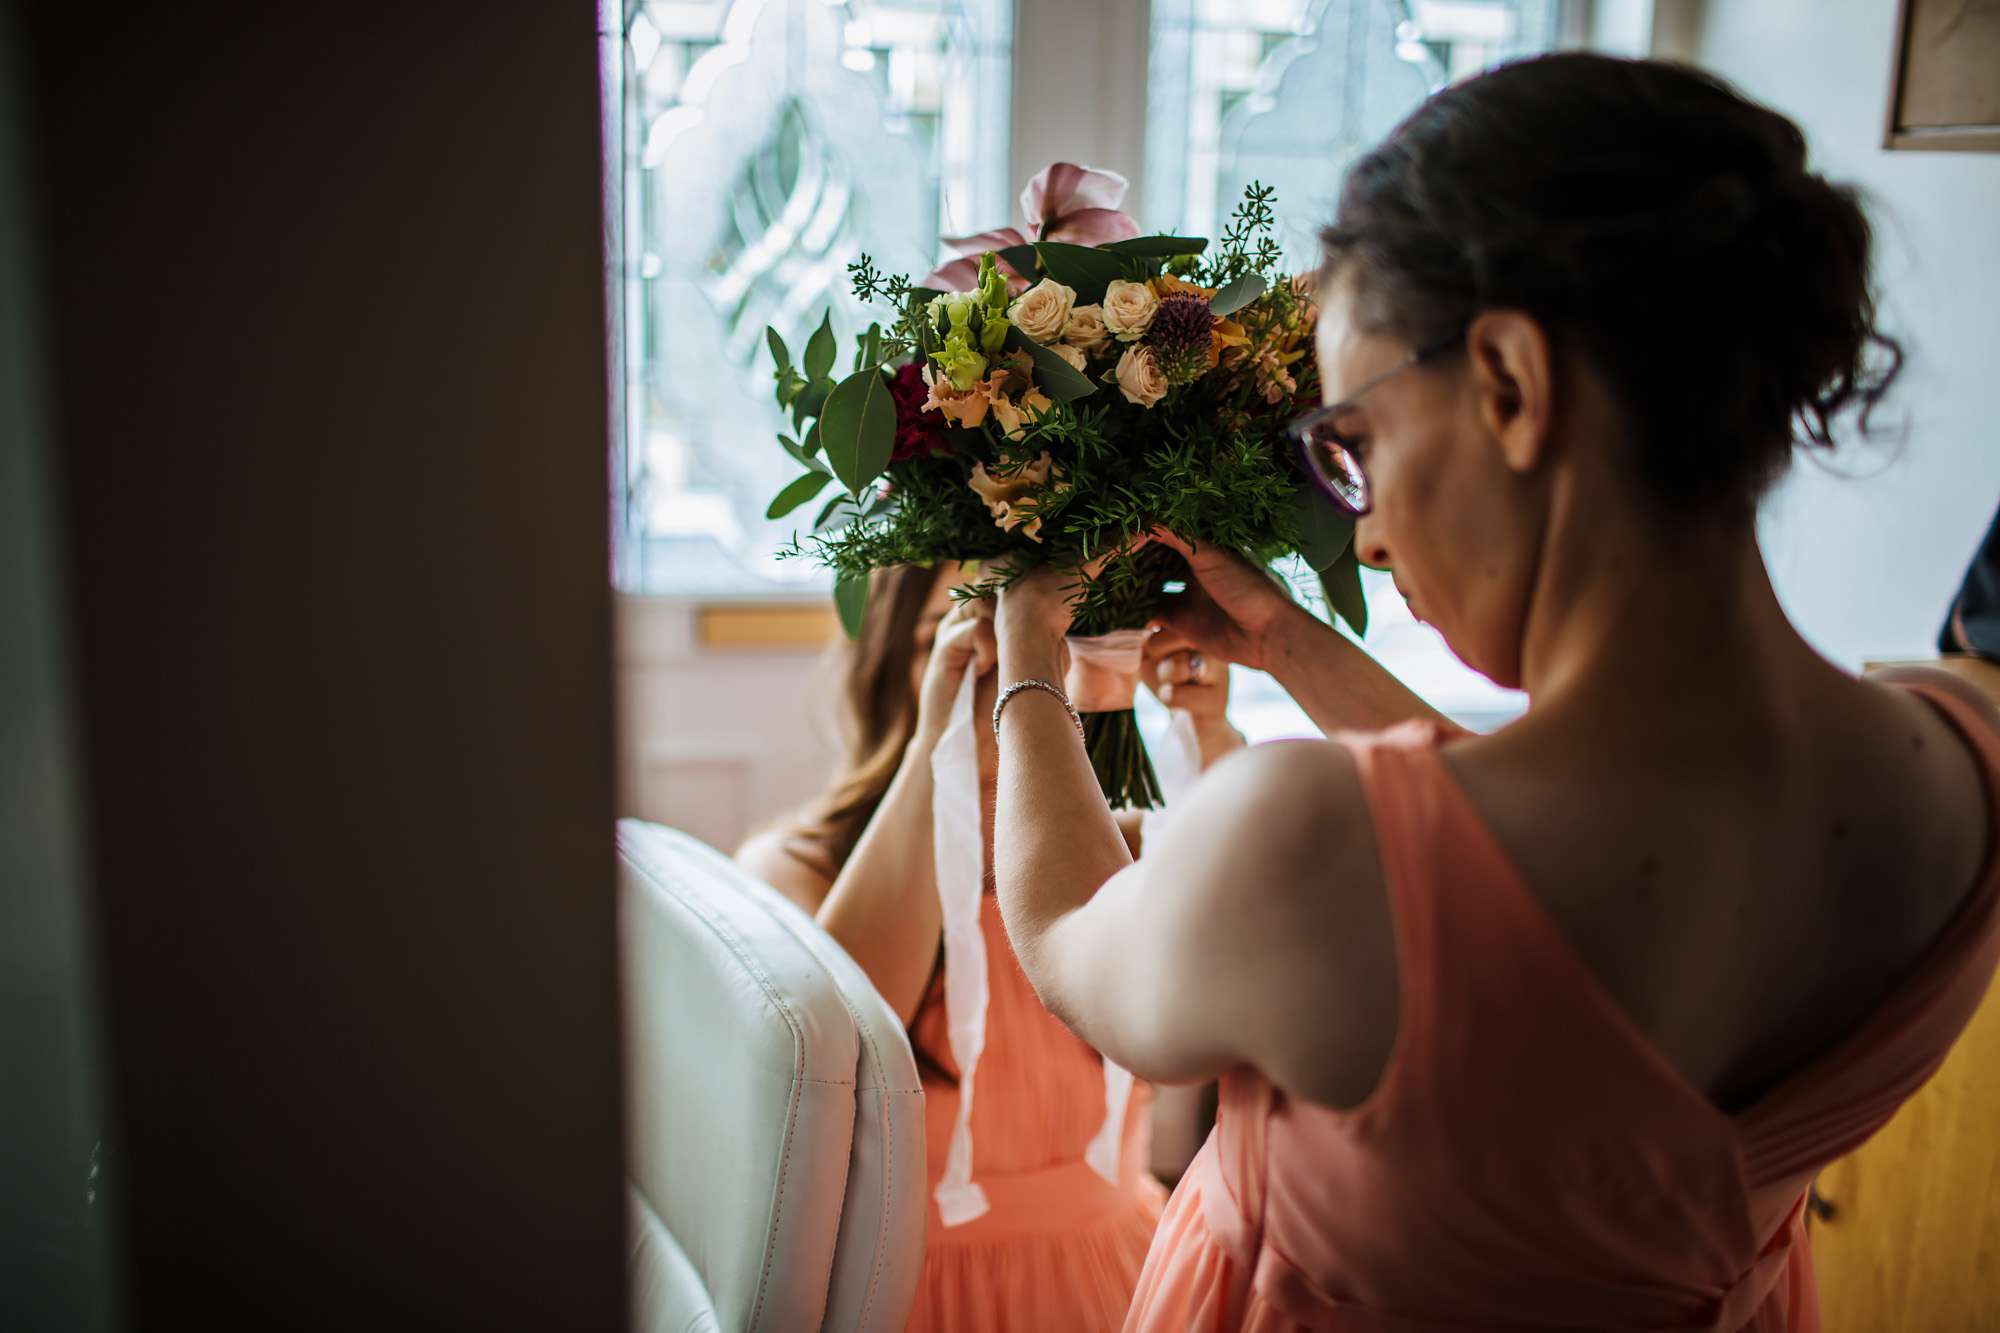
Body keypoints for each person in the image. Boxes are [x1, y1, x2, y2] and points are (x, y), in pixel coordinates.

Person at [982, 52, 2000, 1332]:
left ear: (1511, 385)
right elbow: (1502, 870)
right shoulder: (1959, 773)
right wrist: (1292, 646)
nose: (1366, 538)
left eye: (1355, 444)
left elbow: (1077, 937)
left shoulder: (1301, 841)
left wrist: (1020, 641)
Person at [736, 562, 1241, 1332]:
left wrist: (1205, 736)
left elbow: (1225, 1015)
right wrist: (944, 757)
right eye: (968, 639)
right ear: (890, 663)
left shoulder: (1126, 855)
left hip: (1116, 1281)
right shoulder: (797, 868)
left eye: (1030, 638)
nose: (1000, 673)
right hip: (909, 1294)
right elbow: (829, 1062)